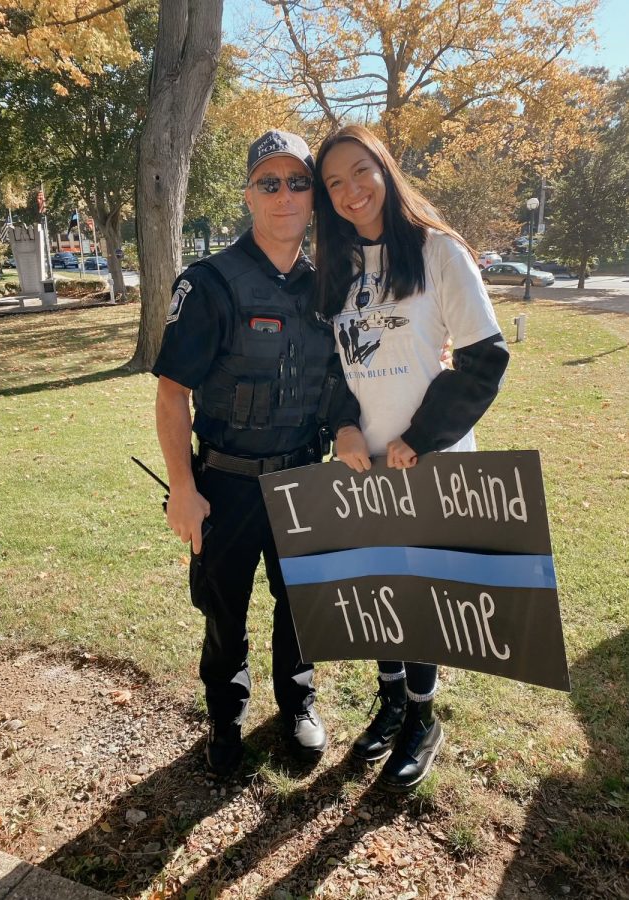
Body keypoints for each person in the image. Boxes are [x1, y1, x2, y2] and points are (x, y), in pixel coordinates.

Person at [153, 130, 361, 778]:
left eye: (298, 182)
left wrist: (347, 427)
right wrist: (183, 489)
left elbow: (341, 379)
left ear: (312, 197)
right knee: (224, 614)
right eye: (268, 183)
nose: (284, 195)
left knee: (300, 606)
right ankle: (226, 716)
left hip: (303, 476)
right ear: (247, 195)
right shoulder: (210, 283)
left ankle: (298, 706)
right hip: (227, 484)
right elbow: (171, 395)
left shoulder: (330, 284)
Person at [313, 125, 510, 792]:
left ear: (385, 170)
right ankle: (391, 699)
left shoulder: (438, 252)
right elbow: (329, 369)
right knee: (380, 590)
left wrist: (420, 438)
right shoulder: (335, 270)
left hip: (428, 462)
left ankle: (422, 718)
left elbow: (486, 359)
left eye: (359, 171)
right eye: (333, 182)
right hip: (362, 466)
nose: (349, 190)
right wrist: (342, 426)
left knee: (421, 597)